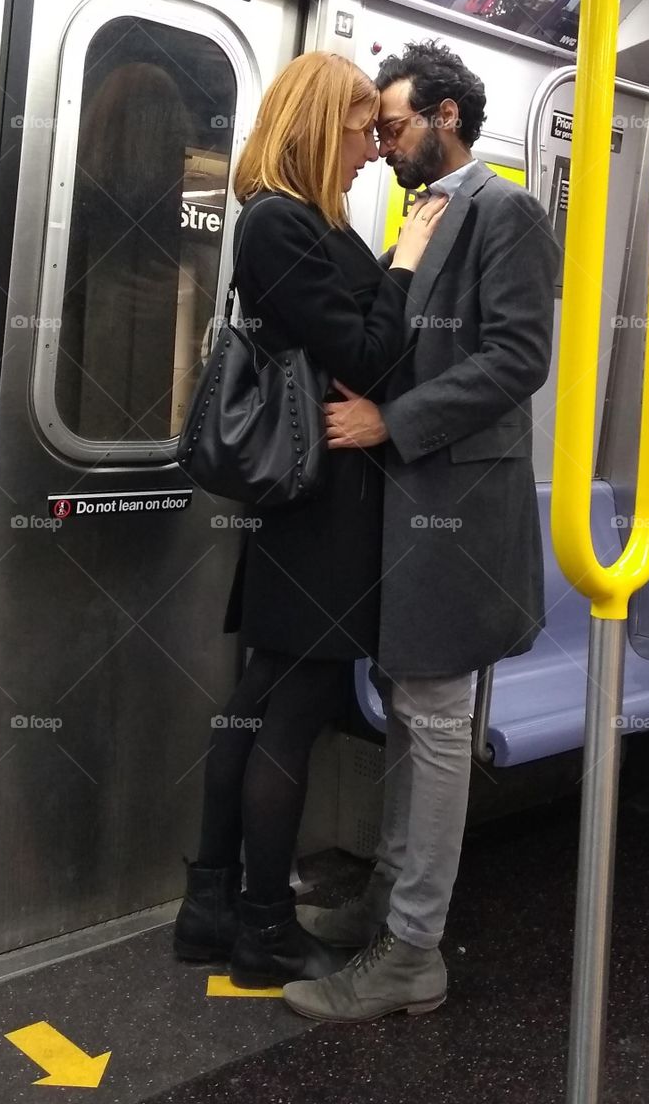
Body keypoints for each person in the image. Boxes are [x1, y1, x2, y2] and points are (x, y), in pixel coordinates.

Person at [283, 40, 560, 1021]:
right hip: (405, 512)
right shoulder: (418, 214)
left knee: (437, 726)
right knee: (413, 719)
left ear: (445, 114)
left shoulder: (507, 211)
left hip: (458, 514)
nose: (381, 140)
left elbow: (518, 358)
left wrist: (390, 420)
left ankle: (412, 950)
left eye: (392, 123)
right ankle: (385, 910)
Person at [172, 52, 447, 989]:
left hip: (306, 504)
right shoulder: (282, 224)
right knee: (289, 713)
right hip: (319, 505)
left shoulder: (300, 222)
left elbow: (357, 344)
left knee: (253, 704)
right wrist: (405, 264)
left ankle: (210, 907)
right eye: (362, 128)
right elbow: (369, 355)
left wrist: (376, 299)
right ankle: (265, 931)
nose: (374, 150)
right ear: (316, 125)